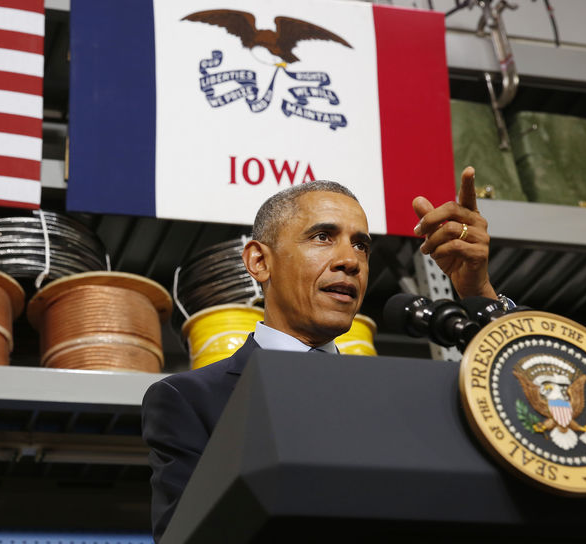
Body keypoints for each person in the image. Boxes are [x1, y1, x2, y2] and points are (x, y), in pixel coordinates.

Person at [142, 166, 497, 541]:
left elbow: (528, 432)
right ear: (260, 262)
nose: (351, 260)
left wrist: (479, 292)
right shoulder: (189, 400)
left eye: (361, 244)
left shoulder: (399, 401)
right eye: (323, 237)